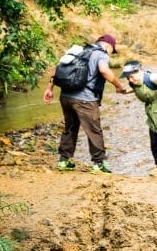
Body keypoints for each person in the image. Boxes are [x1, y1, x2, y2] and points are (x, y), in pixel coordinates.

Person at [43, 34, 127, 174]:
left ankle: (64, 160)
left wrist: (49, 89)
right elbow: (104, 71)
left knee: (70, 128)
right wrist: (119, 86)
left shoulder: (78, 51)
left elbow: (57, 68)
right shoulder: (101, 54)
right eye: (112, 49)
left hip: (66, 96)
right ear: (107, 45)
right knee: (94, 130)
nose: (111, 53)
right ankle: (99, 163)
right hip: (85, 99)